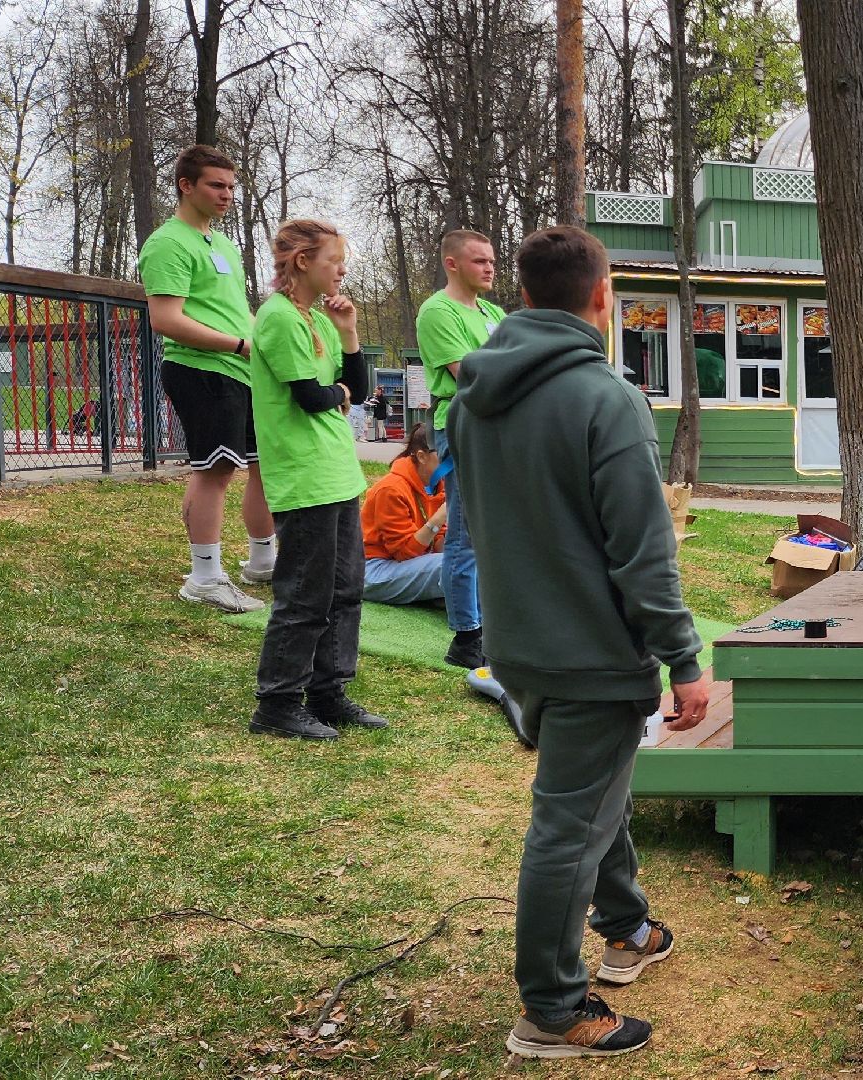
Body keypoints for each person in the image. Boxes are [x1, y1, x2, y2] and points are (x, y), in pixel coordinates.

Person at [448, 226, 710, 1058]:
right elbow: (644, 552)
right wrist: (684, 659)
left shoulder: (468, 396)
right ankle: (552, 1010)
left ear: (523, 295)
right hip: (590, 652)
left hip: (518, 645)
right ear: (602, 297)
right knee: (567, 826)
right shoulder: (606, 398)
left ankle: (626, 927)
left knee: (594, 793)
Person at [246, 219, 386, 740]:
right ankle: (278, 702)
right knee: (305, 594)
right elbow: (312, 397)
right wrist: (339, 395)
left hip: (338, 475)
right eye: (334, 260)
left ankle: (328, 693)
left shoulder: (322, 319)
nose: (341, 270)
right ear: (303, 262)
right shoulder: (279, 318)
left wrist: (349, 334)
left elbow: (356, 389)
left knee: (345, 590)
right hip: (304, 477)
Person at [138, 145, 275, 613]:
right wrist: (237, 345)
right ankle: (204, 578)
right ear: (186, 185)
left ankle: (263, 562)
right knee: (214, 471)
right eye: (217, 185)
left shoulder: (224, 245)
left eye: (231, 186)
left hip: (244, 372)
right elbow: (166, 319)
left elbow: (235, 312)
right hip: (201, 370)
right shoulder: (167, 243)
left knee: (262, 466)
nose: (227, 194)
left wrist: (266, 343)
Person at [416, 229, 506, 668]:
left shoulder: (493, 312)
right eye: (479, 261)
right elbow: (467, 374)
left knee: (496, 532)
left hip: (499, 426)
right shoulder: (438, 311)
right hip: (462, 424)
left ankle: (493, 626)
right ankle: (466, 636)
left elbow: (513, 364)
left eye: (491, 261)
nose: (489, 268)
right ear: (451, 264)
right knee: (466, 531)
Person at [359, 427, 448, 606]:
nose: (452, 461)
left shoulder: (438, 484)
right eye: (445, 453)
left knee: (466, 559)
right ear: (422, 456)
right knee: (449, 565)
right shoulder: (391, 489)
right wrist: (440, 517)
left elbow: (439, 544)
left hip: (413, 562)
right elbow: (403, 553)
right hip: (373, 569)